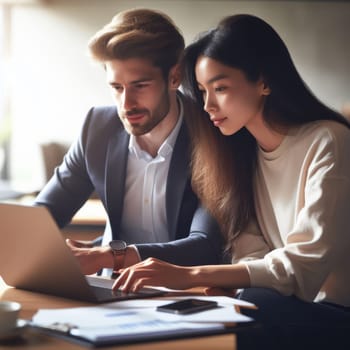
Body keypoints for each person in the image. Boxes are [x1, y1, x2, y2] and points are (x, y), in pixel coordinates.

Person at [112, 14, 350, 349]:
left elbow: (303, 266)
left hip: (335, 312)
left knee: (254, 309)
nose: (208, 105)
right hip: (287, 305)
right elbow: (251, 253)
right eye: (202, 91)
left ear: (264, 82)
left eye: (220, 88)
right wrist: (233, 284)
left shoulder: (330, 140)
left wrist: (191, 275)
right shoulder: (239, 156)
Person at [34, 8, 223, 277]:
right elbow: (44, 215)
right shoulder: (98, 127)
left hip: (186, 292)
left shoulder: (211, 131)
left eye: (140, 85)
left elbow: (204, 245)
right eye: (117, 87)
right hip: (113, 290)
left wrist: (109, 256)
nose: (127, 104)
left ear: (174, 77)